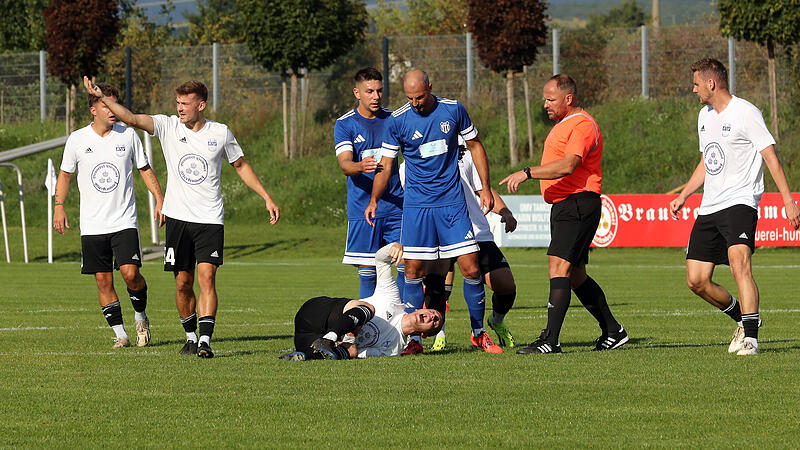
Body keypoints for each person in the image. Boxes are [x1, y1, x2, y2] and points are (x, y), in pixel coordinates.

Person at [83, 76, 281, 359]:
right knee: (182, 283)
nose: (180, 108)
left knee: (207, 276)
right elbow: (131, 118)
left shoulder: (221, 133)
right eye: (177, 103)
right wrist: (102, 97)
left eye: (186, 104)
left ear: (201, 105)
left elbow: (240, 164)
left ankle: (205, 341)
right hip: (177, 219)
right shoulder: (167, 126)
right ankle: (190, 337)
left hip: (210, 218)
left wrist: (266, 196)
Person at [669, 58, 800, 356]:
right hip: (710, 206)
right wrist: (686, 194)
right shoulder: (704, 116)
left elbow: (771, 158)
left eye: (696, 84)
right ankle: (744, 318)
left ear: (711, 83)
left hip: (741, 202)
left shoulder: (746, 112)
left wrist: (788, 200)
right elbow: (707, 161)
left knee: (739, 264)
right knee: (696, 280)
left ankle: (751, 339)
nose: (693, 89)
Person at [366, 69, 501, 355]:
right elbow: (388, 165)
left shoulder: (453, 110)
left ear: (430, 86)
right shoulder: (398, 121)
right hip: (417, 209)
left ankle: (478, 333)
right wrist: (374, 199)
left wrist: (486, 188)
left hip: (452, 204)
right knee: (413, 270)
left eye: (420, 96)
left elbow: (476, 146)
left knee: (471, 267)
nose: (415, 102)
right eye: (410, 97)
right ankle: (414, 341)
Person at [500, 74, 627, 354]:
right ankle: (613, 330)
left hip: (578, 202)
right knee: (575, 275)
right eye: (545, 99)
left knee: (558, 268)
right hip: (566, 204)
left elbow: (569, 165)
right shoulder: (566, 124)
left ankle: (550, 340)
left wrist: (527, 172)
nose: (545, 104)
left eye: (550, 99)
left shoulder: (582, 125)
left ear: (568, 99)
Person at [53, 83, 165, 349]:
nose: (112, 110)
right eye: (106, 105)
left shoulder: (128, 136)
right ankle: (121, 334)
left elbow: (145, 169)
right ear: (94, 110)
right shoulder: (77, 139)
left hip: (124, 221)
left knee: (130, 273)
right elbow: (65, 174)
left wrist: (161, 199)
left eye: (114, 104)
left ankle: (140, 317)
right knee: (103, 280)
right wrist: (59, 205)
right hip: (92, 224)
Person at [399, 142, 518, 352]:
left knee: (505, 285)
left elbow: (483, 190)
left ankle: (493, 323)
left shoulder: (463, 155)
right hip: (438, 231)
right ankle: (423, 338)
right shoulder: (407, 166)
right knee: (437, 282)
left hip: (475, 230)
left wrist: (505, 212)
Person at [280, 243, 443, 360]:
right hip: (317, 312)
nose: (431, 317)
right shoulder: (392, 297)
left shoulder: (393, 349)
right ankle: (329, 339)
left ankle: (303, 356)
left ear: (424, 334)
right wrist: (394, 246)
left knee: (351, 352)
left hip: (307, 337)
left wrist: (350, 339)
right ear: (418, 310)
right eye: (433, 313)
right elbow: (381, 260)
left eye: (434, 323)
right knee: (367, 308)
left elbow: (359, 353)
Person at [334, 68, 405, 299]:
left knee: (407, 264)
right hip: (364, 209)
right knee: (368, 272)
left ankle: (407, 327)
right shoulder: (345, 124)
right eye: (370, 91)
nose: (376, 96)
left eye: (379, 91)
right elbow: (345, 164)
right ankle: (369, 326)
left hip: (396, 206)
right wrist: (360, 166)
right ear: (357, 93)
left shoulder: (394, 119)